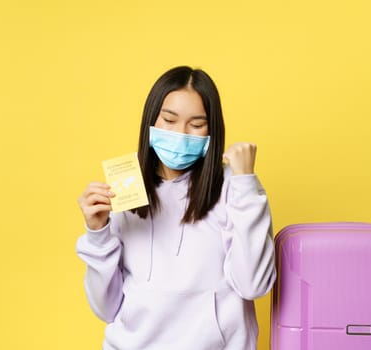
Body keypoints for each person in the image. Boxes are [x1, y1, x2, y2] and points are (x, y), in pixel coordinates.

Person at [76, 66, 276, 350]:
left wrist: (246, 184)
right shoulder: (125, 188)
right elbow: (105, 309)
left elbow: (253, 285)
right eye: (169, 120)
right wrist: (97, 233)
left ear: (212, 131)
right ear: (151, 121)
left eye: (196, 125)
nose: (180, 134)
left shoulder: (234, 188)